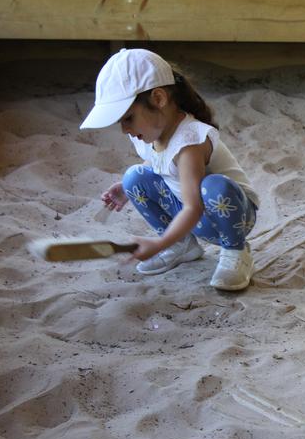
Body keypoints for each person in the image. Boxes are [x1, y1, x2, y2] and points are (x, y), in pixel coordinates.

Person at [80, 48, 259, 291]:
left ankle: (235, 251)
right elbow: (157, 163)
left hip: (229, 215)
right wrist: (125, 187)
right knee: (134, 176)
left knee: (214, 187)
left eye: (128, 118)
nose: (124, 130)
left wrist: (160, 243)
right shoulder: (150, 134)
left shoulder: (189, 141)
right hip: (192, 214)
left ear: (158, 99)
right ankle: (183, 245)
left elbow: (193, 207)